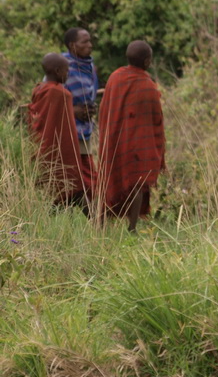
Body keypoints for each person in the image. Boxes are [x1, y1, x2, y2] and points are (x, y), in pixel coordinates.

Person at [98, 40, 166, 231]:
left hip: (114, 140)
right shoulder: (148, 86)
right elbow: (156, 120)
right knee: (137, 184)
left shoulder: (115, 77)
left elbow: (105, 109)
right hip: (137, 145)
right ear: (147, 62)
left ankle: (100, 225)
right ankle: (132, 227)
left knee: (108, 178)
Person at [28, 53, 92, 212]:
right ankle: (98, 226)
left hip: (42, 147)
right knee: (72, 189)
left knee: (53, 192)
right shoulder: (61, 94)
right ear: (57, 71)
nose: (68, 73)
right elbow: (65, 129)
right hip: (61, 152)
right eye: (66, 70)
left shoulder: (39, 89)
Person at [61, 27, 100, 189]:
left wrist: (91, 108)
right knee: (74, 174)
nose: (90, 45)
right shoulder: (61, 65)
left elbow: (90, 93)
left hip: (85, 129)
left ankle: (94, 210)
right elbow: (52, 96)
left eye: (90, 41)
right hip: (67, 129)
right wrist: (73, 111)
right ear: (72, 45)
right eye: (85, 42)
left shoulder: (89, 67)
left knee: (86, 174)